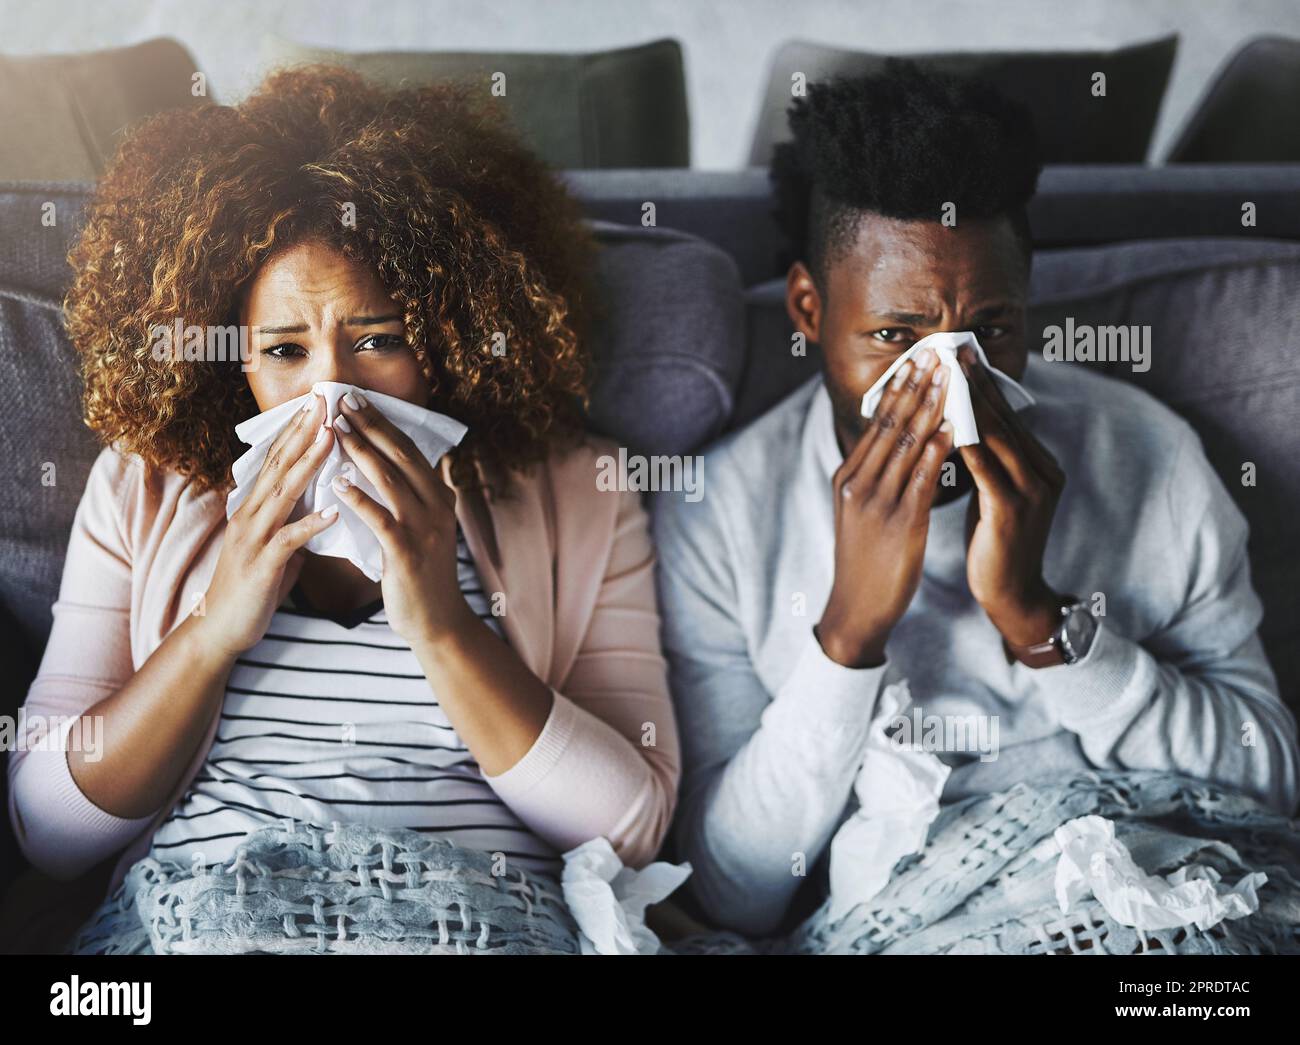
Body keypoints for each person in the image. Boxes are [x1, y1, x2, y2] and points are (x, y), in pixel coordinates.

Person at [7, 66, 679, 951]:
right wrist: (212, 629)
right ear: (234, 367)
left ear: (449, 338)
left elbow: (634, 827)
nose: (333, 394)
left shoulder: (574, 491)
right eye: (285, 350)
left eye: (377, 341)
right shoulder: (145, 487)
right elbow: (48, 834)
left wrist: (443, 624)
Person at [652, 61, 1300, 939]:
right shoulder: (720, 515)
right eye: (896, 337)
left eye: (990, 329)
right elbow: (733, 891)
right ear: (808, 309)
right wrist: (848, 637)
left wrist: (1043, 622)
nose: (954, 386)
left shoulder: (1146, 455)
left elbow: (1269, 783)